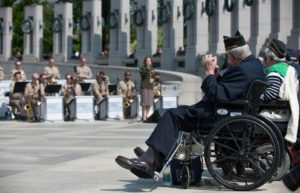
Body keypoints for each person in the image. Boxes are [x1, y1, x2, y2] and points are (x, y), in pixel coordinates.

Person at [115, 31, 266, 179]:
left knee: (172, 115)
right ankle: (154, 155)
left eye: (228, 56)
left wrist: (209, 73)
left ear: (233, 57)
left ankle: (150, 161)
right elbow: (228, 90)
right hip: (230, 112)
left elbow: (216, 95)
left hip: (220, 115)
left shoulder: (242, 69)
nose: (228, 59)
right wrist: (217, 76)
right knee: (179, 111)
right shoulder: (254, 65)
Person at [260, 39, 299, 145]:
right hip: (284, 110)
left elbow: (271, 94)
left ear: (270, 58)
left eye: (265, 58)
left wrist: (257, 96)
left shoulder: (275, 71)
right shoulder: (285, 68)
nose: (265, 60)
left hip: (277, 113)